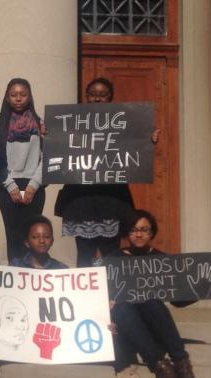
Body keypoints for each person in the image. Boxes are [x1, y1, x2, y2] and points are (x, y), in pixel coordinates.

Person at [109, 210, 211, 378]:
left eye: (144, 229)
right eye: (133, 229)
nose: (139, 234)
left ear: (152, 232)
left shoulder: (161, 259)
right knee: (123, 305)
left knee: (150, 299)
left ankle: (181, 364)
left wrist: (206, 286)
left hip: (153, 320)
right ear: (126, 232)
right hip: (125, 322)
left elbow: (178, 300)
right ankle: (161, 366)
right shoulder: (113, 259)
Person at [54, 78, 160, 267]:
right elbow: (60, 147)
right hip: (82, 199)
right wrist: (49, 134)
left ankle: (112, 292)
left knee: (111, 253)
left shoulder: (123, 122)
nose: (97, 99)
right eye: (93, 94)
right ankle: (85, 293)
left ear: (110, 97)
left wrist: (148, 142)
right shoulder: (72, 122)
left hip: (111, 199)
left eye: (102, 95)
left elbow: (136, 150)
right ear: (86, 96)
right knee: (85, 254)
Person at [0, 215, 68, 378]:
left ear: (52, 240)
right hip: (21, 326)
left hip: (47, 330)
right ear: (27, 242)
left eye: (46, 236)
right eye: (35, 237)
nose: (41, 240)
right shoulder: (14, 267)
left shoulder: (61, 270)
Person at [0, 78, 46, 261]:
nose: (18, 98)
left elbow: (48, 158)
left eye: (23, 94)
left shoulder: (41, 124)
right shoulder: (0, 126)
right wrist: (10, 186)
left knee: (33, 237)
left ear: (29, 97)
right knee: (13, 237)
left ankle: (33, 280)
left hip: (34, 186)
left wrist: (34, 185)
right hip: (9, 187)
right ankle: (16, 280)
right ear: (7, 98)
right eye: (14, 95)